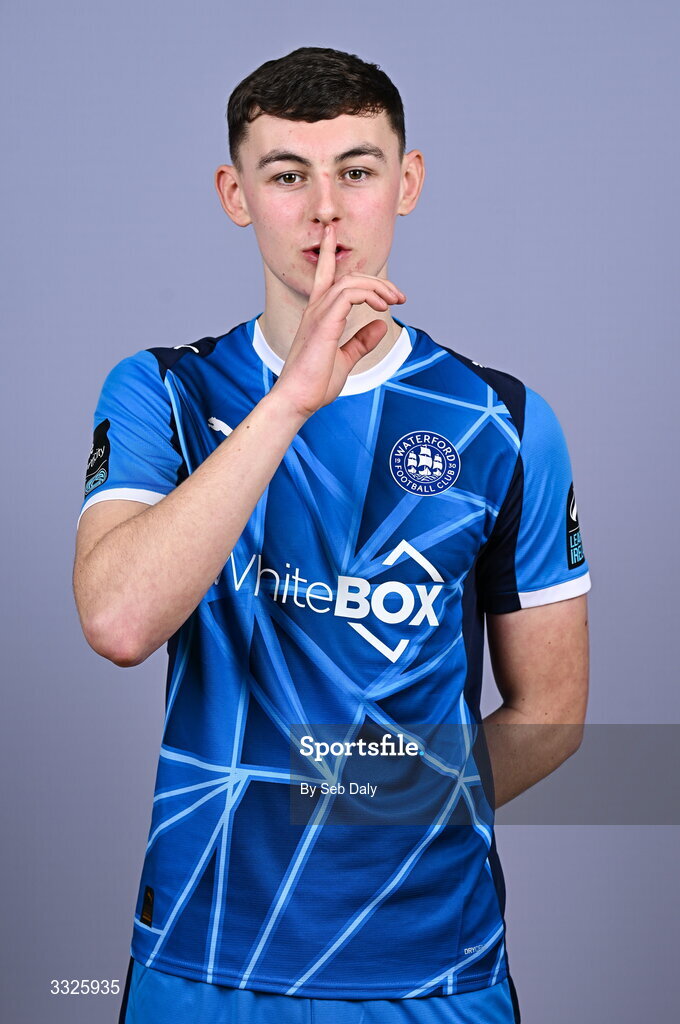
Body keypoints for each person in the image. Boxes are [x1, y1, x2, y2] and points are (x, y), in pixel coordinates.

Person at [73, 46, 590, 1024]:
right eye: (285, 175)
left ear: (406, 182)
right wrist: (292, 399)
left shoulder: (501, 421)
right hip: (201, 956)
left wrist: (383, 801)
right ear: (236, 194)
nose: (323, 209)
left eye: (355, 170)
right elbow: (120, 619)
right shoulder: (163, 393)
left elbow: (553, 708)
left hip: (428, 971)